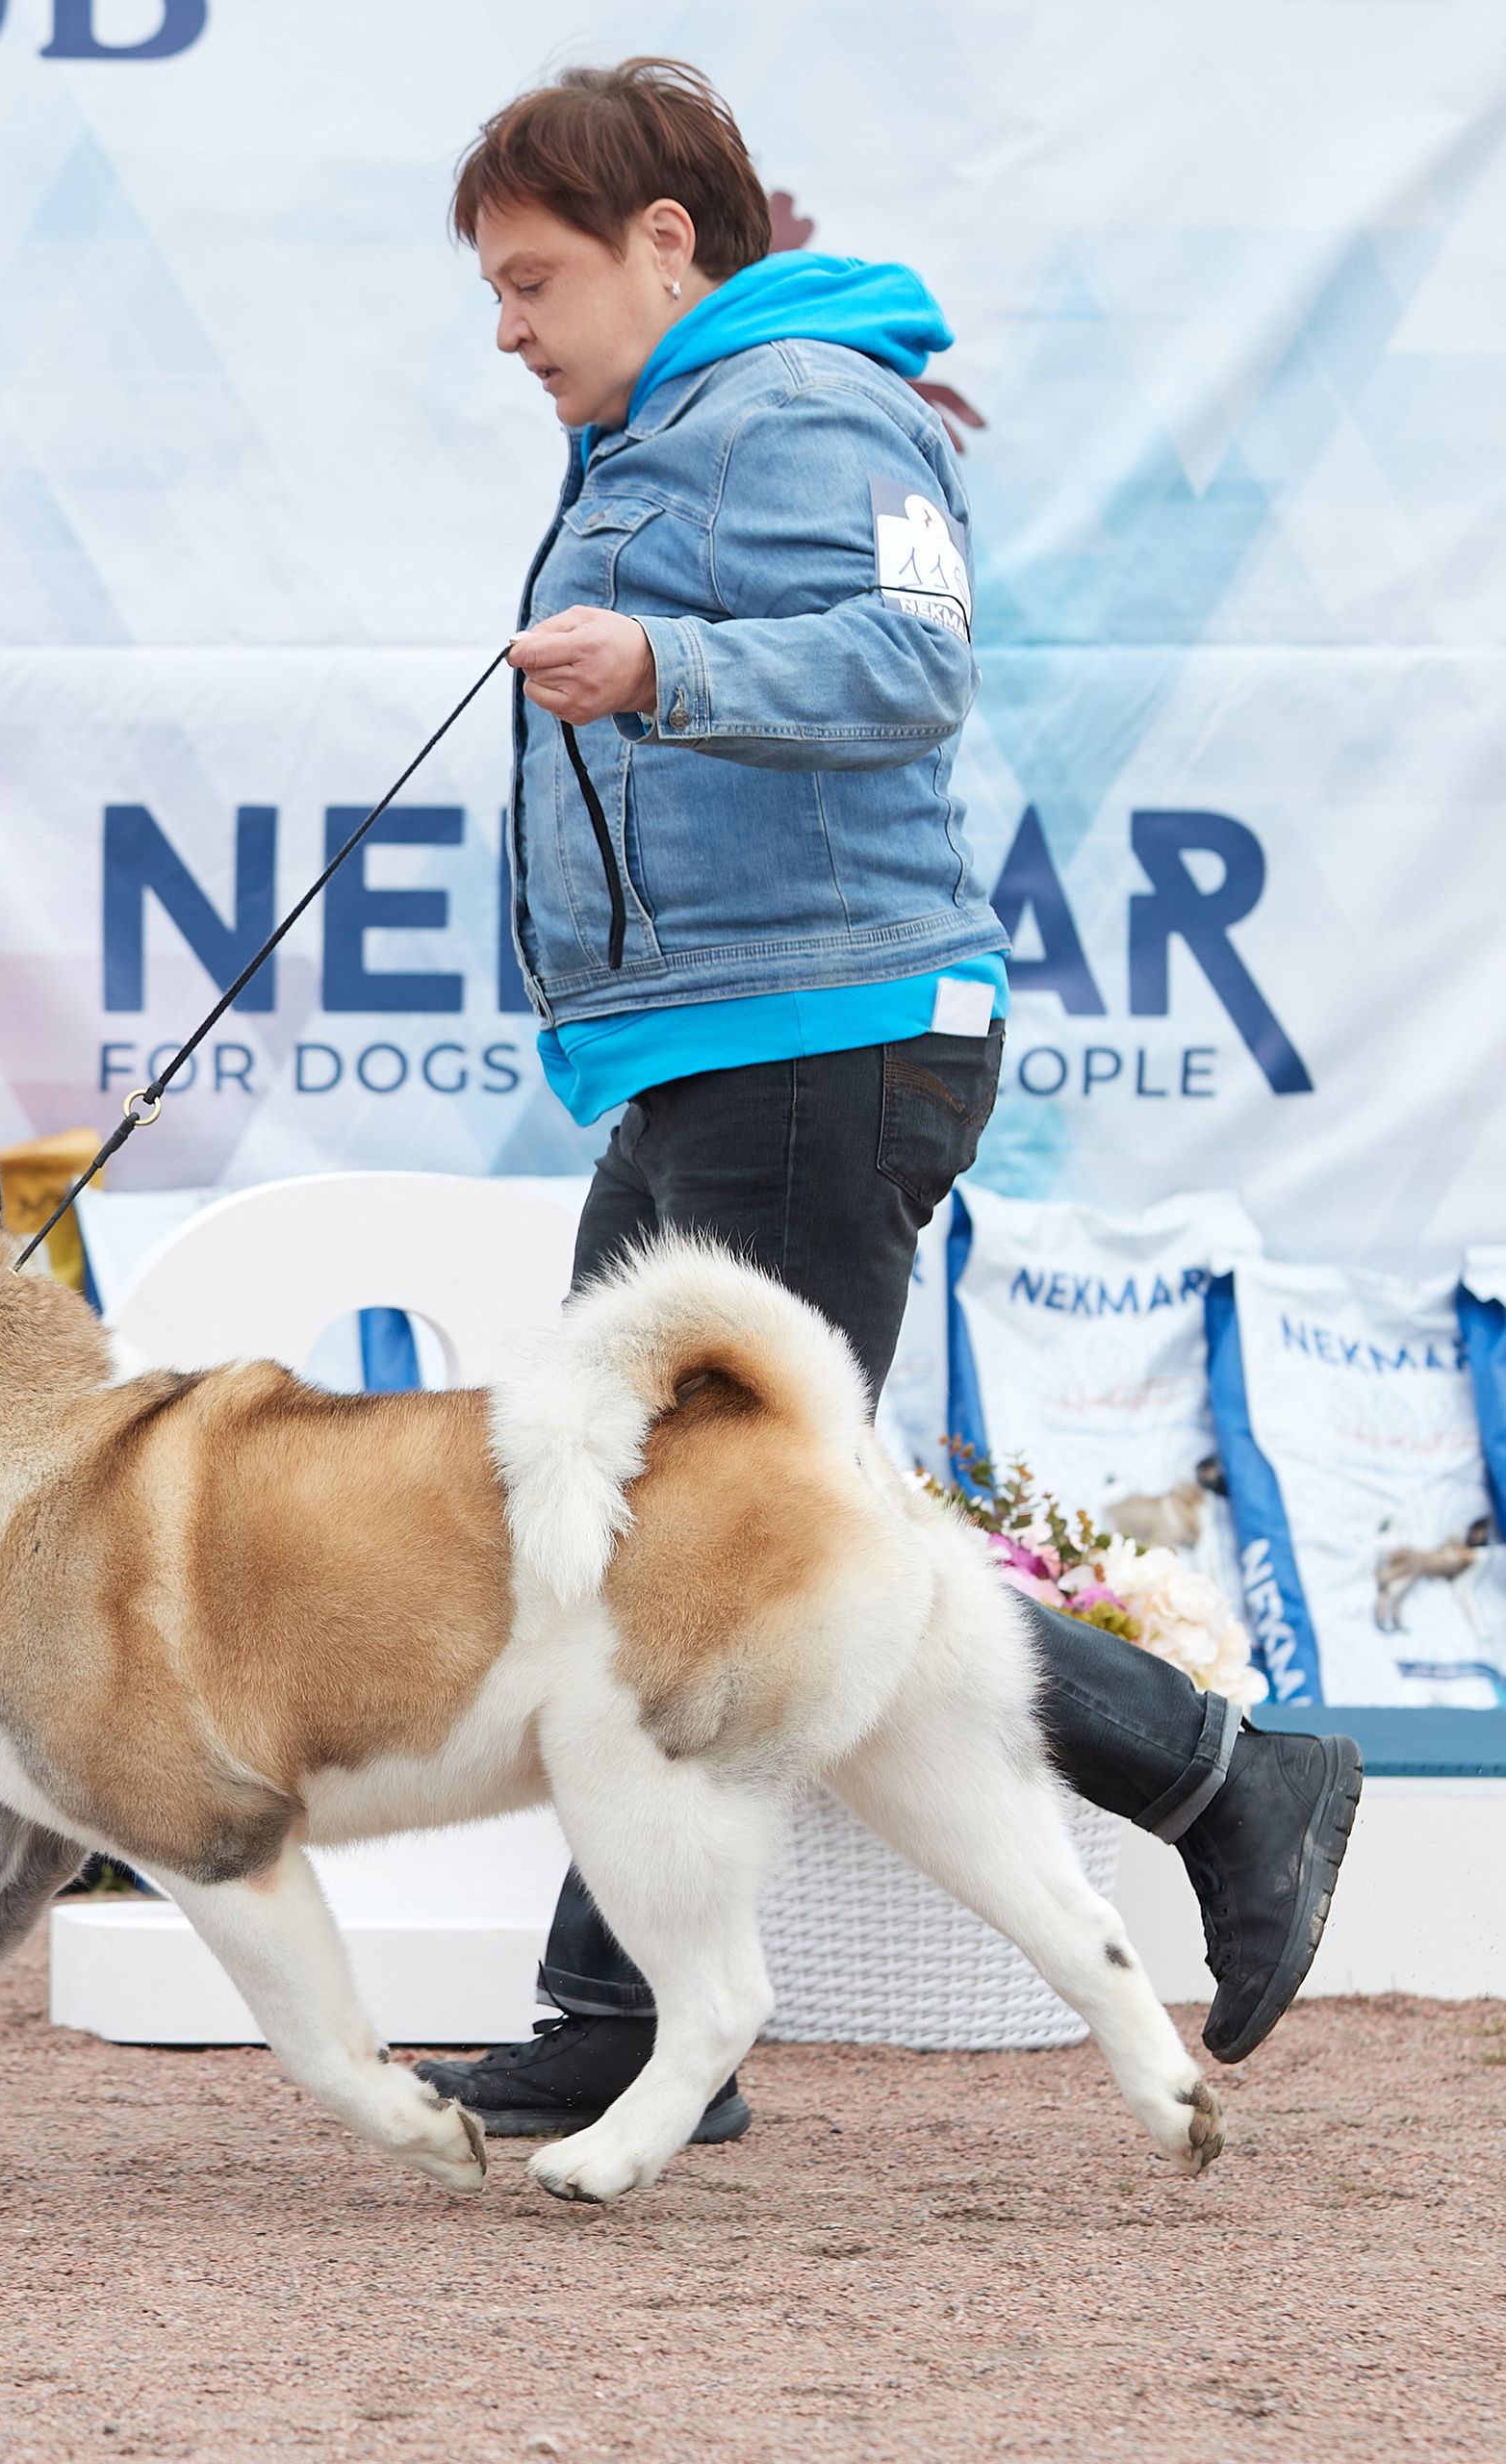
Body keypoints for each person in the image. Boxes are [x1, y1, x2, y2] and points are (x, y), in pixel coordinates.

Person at [411, 60, 1361, 2144]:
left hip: (812, 1037)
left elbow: (911, 664)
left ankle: (1214, 1774)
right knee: (664, 1520)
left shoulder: (800, 401)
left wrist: (662, 668)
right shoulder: (663, 418)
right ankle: (625, 2006)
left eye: (528, 277)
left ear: (666, 245)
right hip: (713, 1040)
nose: (502, 324)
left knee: (738, 1530)